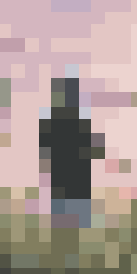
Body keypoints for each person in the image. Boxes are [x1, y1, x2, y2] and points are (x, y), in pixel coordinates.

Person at [38, 75, 103, 229]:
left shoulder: (53, 121)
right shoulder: (79, 121)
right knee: (72, 216)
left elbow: (45, 150)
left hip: (68, 177)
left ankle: (66, 230)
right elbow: (94, 148)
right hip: (73, 177)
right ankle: (72, 230)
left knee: (66, 217)